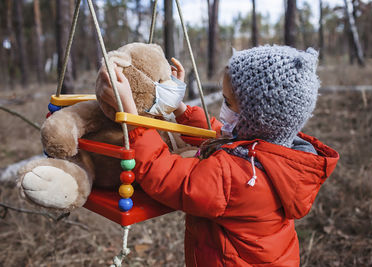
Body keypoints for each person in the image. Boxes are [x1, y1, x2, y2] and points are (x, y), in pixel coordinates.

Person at [96, 45, 339, 267]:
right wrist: (179, 108)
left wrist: (132, 117)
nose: (223, 109)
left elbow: (168, 177)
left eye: (228, 102)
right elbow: (220, 134)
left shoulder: (242, 178)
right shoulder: (276, 151)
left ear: (257, 118)